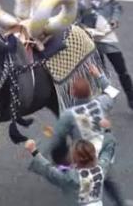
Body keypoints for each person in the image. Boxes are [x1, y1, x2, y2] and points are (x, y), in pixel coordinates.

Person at [49, 64, 127, 205]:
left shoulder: (69, 115)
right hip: (103, 154)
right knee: (108, 179)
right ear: (90, 91)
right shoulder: (101, 103)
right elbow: (113, 93)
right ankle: (120, 203)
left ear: (72, 93)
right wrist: (99, 76)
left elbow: (57, 137)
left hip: (84, 158)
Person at [76, 0, 133, 110]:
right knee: (100, 72)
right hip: (92, 41)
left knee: (121, 70)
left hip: (108, 38)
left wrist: (114, 19)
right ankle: (106, 98)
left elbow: (116, 7)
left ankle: (131, 98)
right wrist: (85, 29)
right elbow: (76, 21)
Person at [24, 135, 116, 206]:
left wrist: (33, 150)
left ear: (74, 160)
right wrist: (107, 131)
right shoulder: (101, 168)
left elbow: (48, 170)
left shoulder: (69, 178)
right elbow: (107, 151)